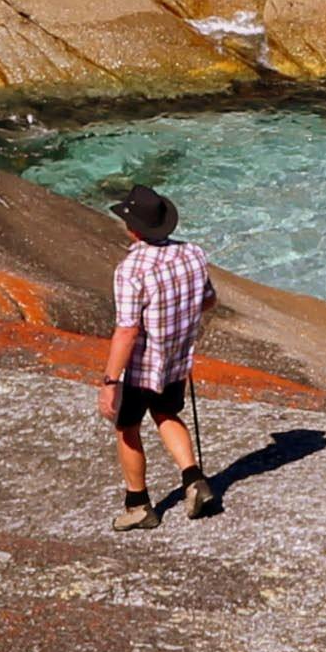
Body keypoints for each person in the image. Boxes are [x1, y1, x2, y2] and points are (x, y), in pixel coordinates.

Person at [99, 183, 217, 527]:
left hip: (141, 365)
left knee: (127, 428)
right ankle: (194, 480)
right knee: (166, 412)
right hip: (177, 358)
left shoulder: (131, 269)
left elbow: (127, 330)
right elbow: (208, 300)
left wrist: (109, 381)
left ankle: (139, 506)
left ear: (132, 228)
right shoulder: (192, 253)